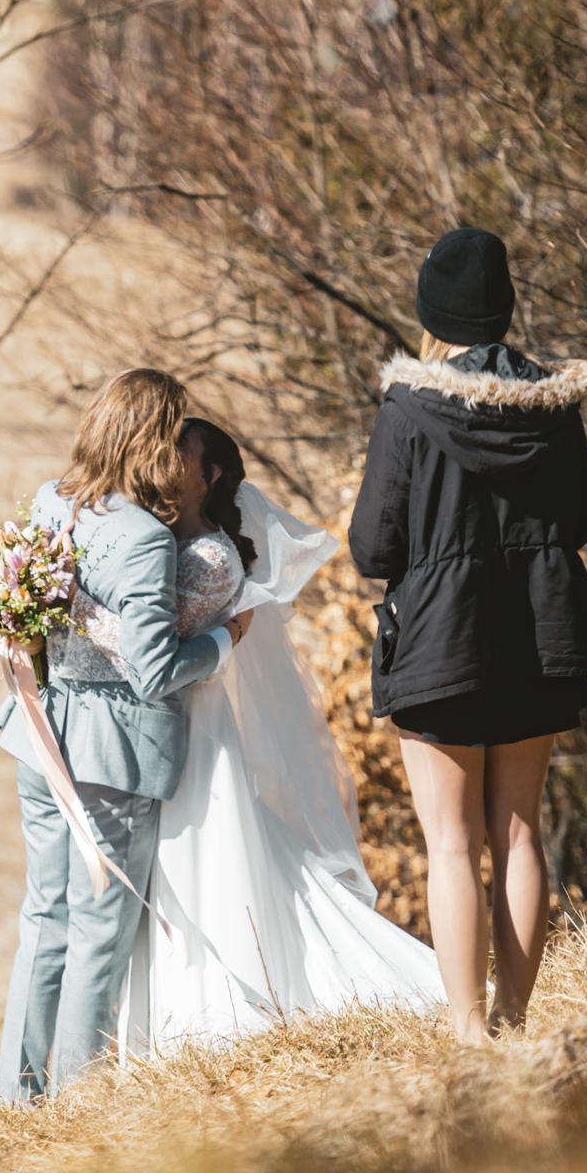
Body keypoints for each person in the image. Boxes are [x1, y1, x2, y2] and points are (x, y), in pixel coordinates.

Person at [350, 227, 587, 1044]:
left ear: (434, 314)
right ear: (503, 310)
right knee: (521, 832)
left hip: (442, 640)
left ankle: (469, 1033)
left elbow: (373, 548)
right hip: (538, 634)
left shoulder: (408, 409)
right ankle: (514, 1021)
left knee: (453, 844)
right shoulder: (555, 408)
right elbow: (578, 522)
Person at [119, 417, 444, 1054]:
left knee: (204, 855)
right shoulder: (158, 541)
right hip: (172, 726)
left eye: (179, 451)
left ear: (209, 475)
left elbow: (149, 654)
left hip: (197, 729)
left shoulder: (210, 556)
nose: (163, 458)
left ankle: (220, 1015)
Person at [0, 368, 252, 1106]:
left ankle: (16, 1099)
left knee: (44, 917)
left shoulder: (52, 500)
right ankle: (77, 1107)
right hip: (111, 754)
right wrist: (227, 639)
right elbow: (153, 672)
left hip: (40, 732)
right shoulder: (145, 539)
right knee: (98, 934)